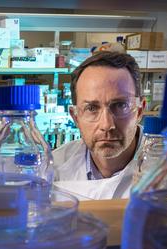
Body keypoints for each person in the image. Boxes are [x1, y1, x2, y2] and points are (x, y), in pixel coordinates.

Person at [53, 51, 145, 200]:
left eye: (120, 105)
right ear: (75, 116)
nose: (107, 125)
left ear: (140, 110)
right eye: (91, 108)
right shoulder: (54, 167)